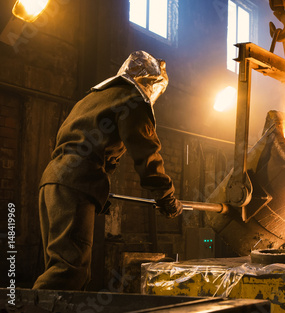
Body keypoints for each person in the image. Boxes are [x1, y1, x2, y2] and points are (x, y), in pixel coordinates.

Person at [32, 51, 183, 290]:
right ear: (150, 82)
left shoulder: (94, 97)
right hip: (75, 183)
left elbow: (90, 143)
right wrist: (166, 197)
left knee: (63, 267)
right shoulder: (133, 99)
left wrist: (99, 186)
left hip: (53, 180)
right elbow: (146, 152)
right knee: (68, 272)